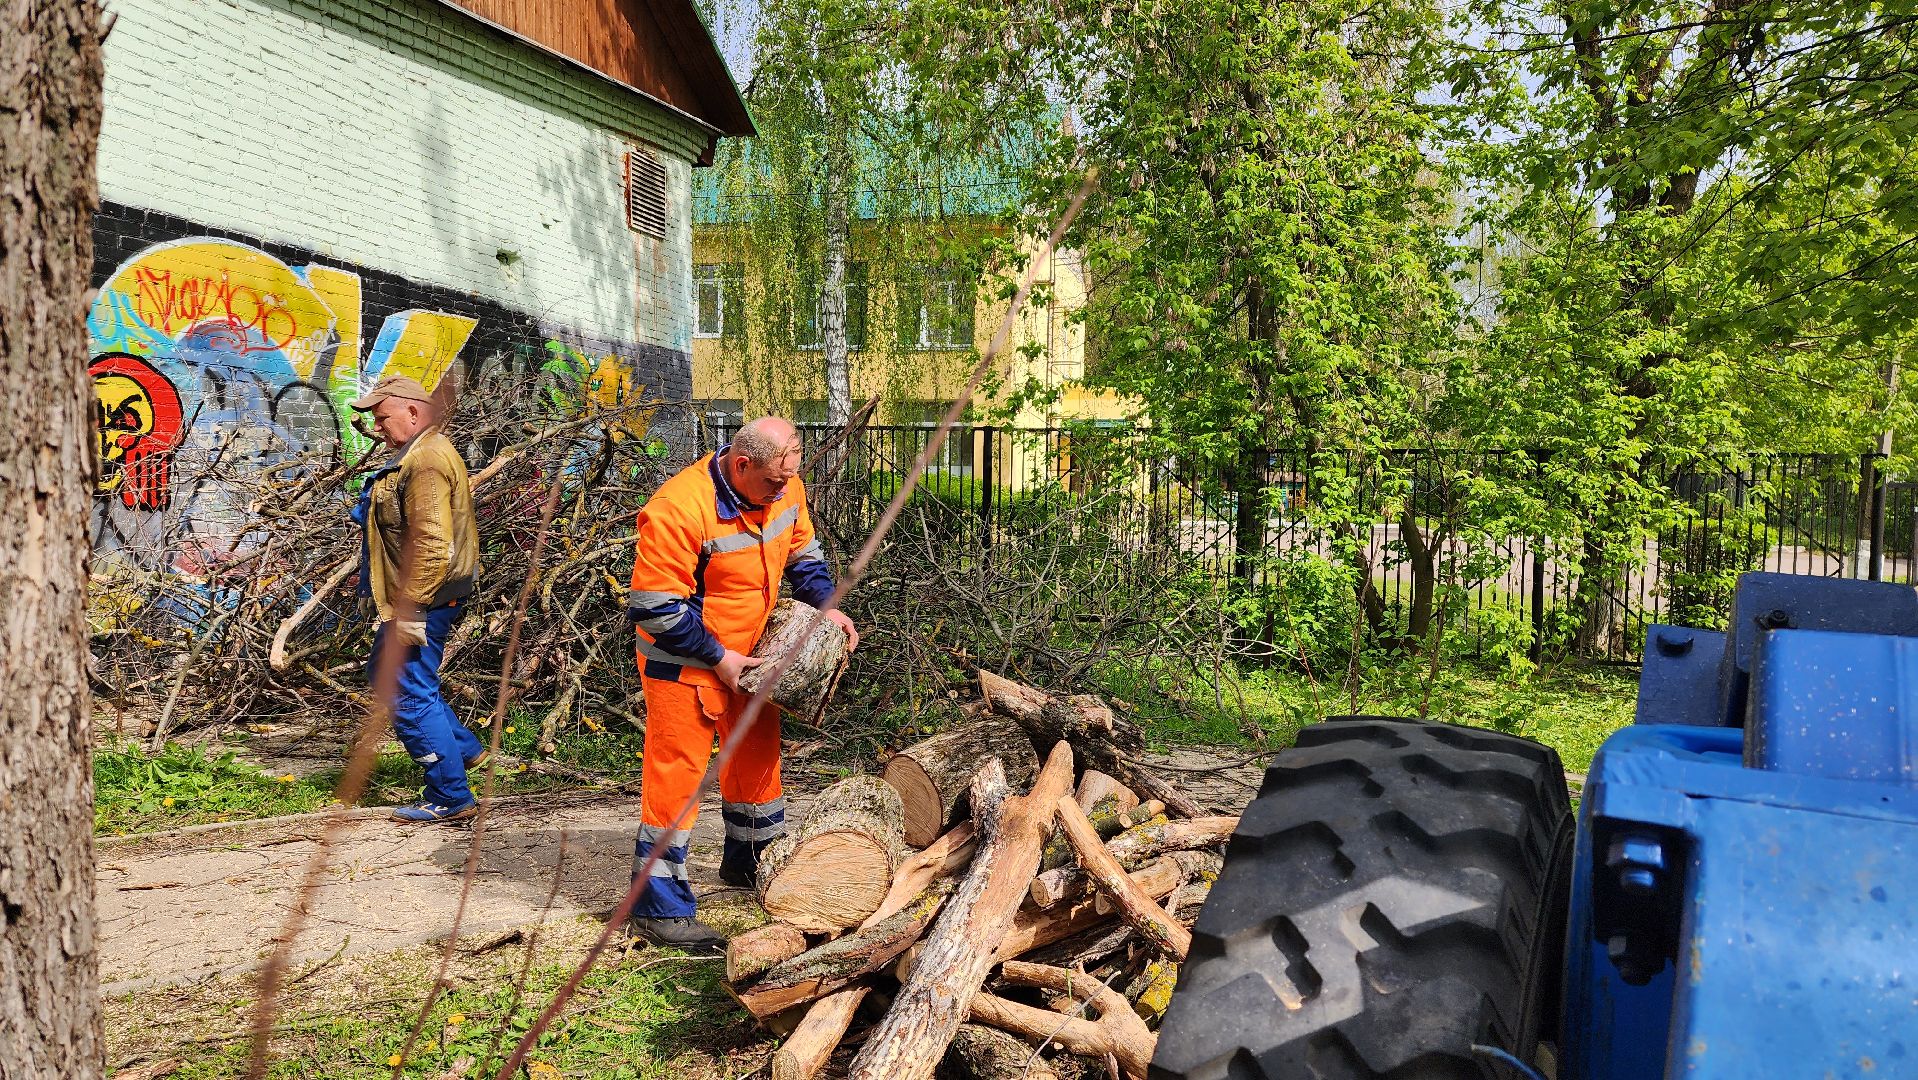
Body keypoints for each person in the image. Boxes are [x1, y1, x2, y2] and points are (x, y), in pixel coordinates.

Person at [625, 416, 859, 947]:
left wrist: (826, 607)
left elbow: (803, 554)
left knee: (756, 758)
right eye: (774, 480)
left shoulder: (784, 485)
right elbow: (654, 607)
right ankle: (657, 906)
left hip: (752, 655)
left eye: (789, 477)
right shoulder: (679, 507)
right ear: (742, 464)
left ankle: (754, 861)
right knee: (678, 779)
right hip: (683, 660)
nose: (783, 489)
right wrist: (718, 656)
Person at [349, 374, 486, 823]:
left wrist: (411, 608)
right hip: (424, 597)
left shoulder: (425, 461)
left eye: (381, 417)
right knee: (387, 673)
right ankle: (463, 750)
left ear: (412, 411)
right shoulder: (416, 453)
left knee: (405, 690)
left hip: (424, 599)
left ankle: (449, 795)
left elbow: (431, 543)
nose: (376, 427)